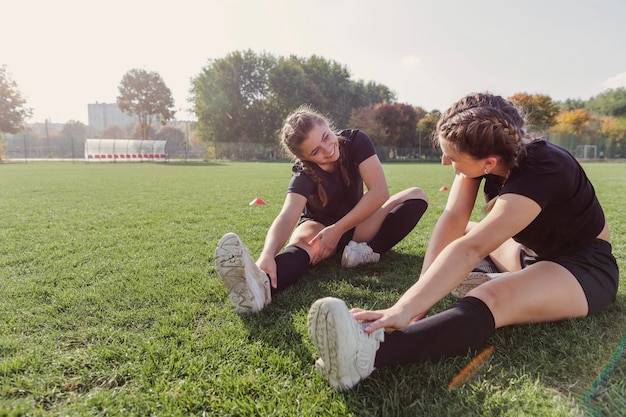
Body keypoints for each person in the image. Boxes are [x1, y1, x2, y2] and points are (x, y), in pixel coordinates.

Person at [307, 93, 619, 391]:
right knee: (468, 229)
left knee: (492, 295)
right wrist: (417, 304)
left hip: (583, 267)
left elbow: (472, 248)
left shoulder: (546, 168)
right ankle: (497, 279)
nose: (445, 161)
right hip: (530, 254)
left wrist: (402, 311)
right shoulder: (486, 152)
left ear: (488, 163)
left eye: (452, 156)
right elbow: (453, 220)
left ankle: (368, 356)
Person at [214, 105, 428, 313]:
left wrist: (338, 230)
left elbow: (380, 192)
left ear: (328, 125)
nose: (327, 150)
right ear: (305, 158)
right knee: (302, 243)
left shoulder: (355, 140)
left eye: (326, 137)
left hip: (356, 224)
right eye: (316, 151)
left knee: (416, 195)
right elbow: (288, 215)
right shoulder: (303, 172)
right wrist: (268, 254)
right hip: (319, 230)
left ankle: (365, 252)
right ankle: (260, 287)